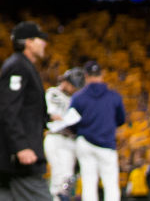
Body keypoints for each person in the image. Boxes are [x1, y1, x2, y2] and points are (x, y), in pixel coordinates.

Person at [0, 20, 51, 201]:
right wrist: (21, 147)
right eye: (39, 39)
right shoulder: (18, 66)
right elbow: (9, 109)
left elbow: (24, 108)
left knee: (2, 196)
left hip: (9, 156)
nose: (44, 43)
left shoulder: (24, 65)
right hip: (18, 155)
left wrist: (49, 117)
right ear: (28, 42)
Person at [69, 61, 126, 201]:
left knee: (89, 182)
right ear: (102, 75)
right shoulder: (114, 96)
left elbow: (71, 123)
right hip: (107, 143)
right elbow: (121, 119)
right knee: (111, 183)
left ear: (86, 76)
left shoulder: (78, 97)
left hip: (85, 142)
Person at [45, 67, 85, 201]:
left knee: (67, 177)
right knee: (57, 173)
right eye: (73, 85)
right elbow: (53, 115)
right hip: (55, 136)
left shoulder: (77, 98)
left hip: (70, 139)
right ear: (66, 81)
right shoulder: (53, 92)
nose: (74, 89)